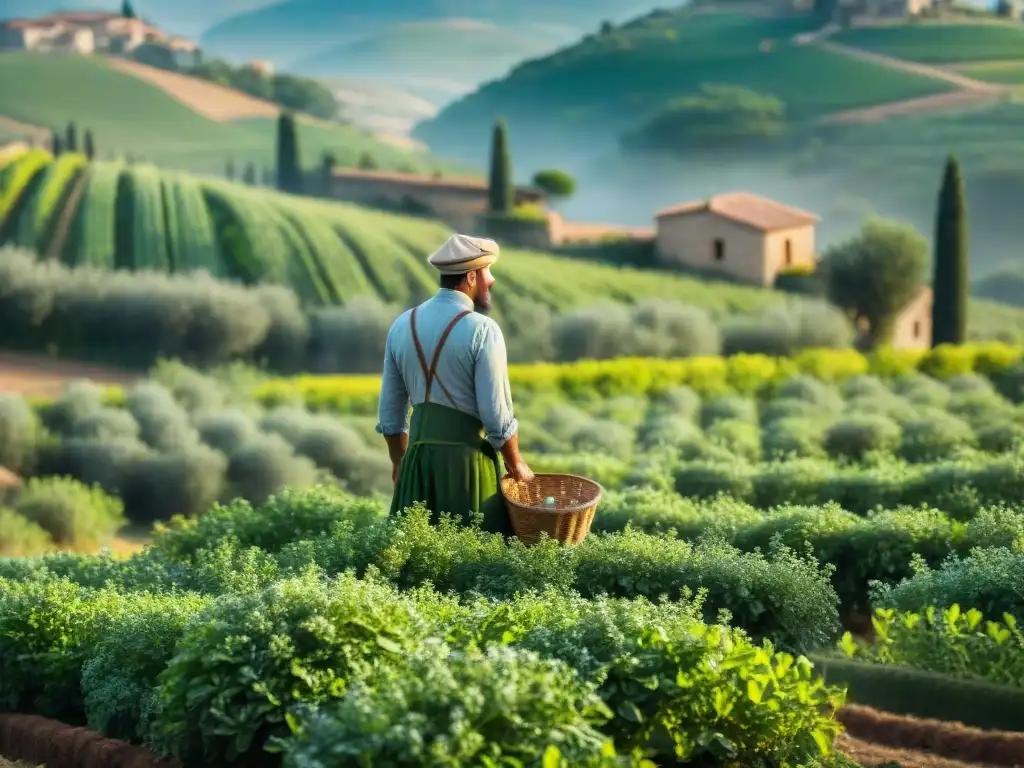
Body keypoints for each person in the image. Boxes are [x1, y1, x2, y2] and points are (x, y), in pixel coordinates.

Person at [375, 233, 534, 535]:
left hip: (416, 467)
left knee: (415, 570)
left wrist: (400, 465)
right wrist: (517, 465)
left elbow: (390, 417)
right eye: (489, 271)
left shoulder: (401, 325)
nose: (492, 280)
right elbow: (496, 416)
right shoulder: (483, 330)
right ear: (472, 276)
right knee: (474, 566)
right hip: (467, 466)